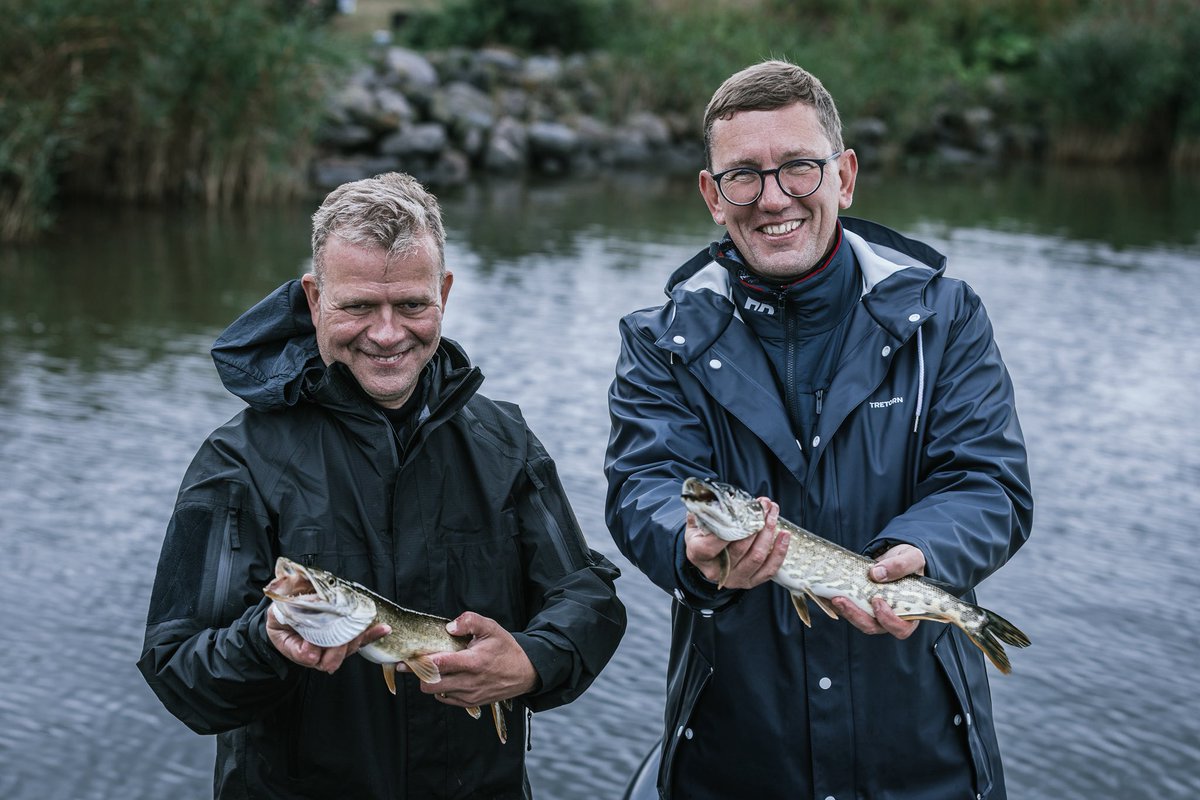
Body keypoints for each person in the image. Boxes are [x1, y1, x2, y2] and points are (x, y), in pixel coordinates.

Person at [605, 60, 1032, 800]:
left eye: (799, 168)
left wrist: (922, 553)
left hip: (922, 752)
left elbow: (989, 482)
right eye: (743, 175)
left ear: (845, 177)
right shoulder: (660, 339)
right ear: (712, 194)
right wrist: (691, 547)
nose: (774, 199)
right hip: (737, 756)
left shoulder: (946, 317)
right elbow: (644, 485)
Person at [139, 172, 627, 800]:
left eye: (412, 305)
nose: (388, 333)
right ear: (315, 300)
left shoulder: (505, 442)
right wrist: (265, 643)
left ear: (444, 293)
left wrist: (533, 660)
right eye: (359, 306)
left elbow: (587, 598)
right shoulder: (239, 460)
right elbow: (178, 671)